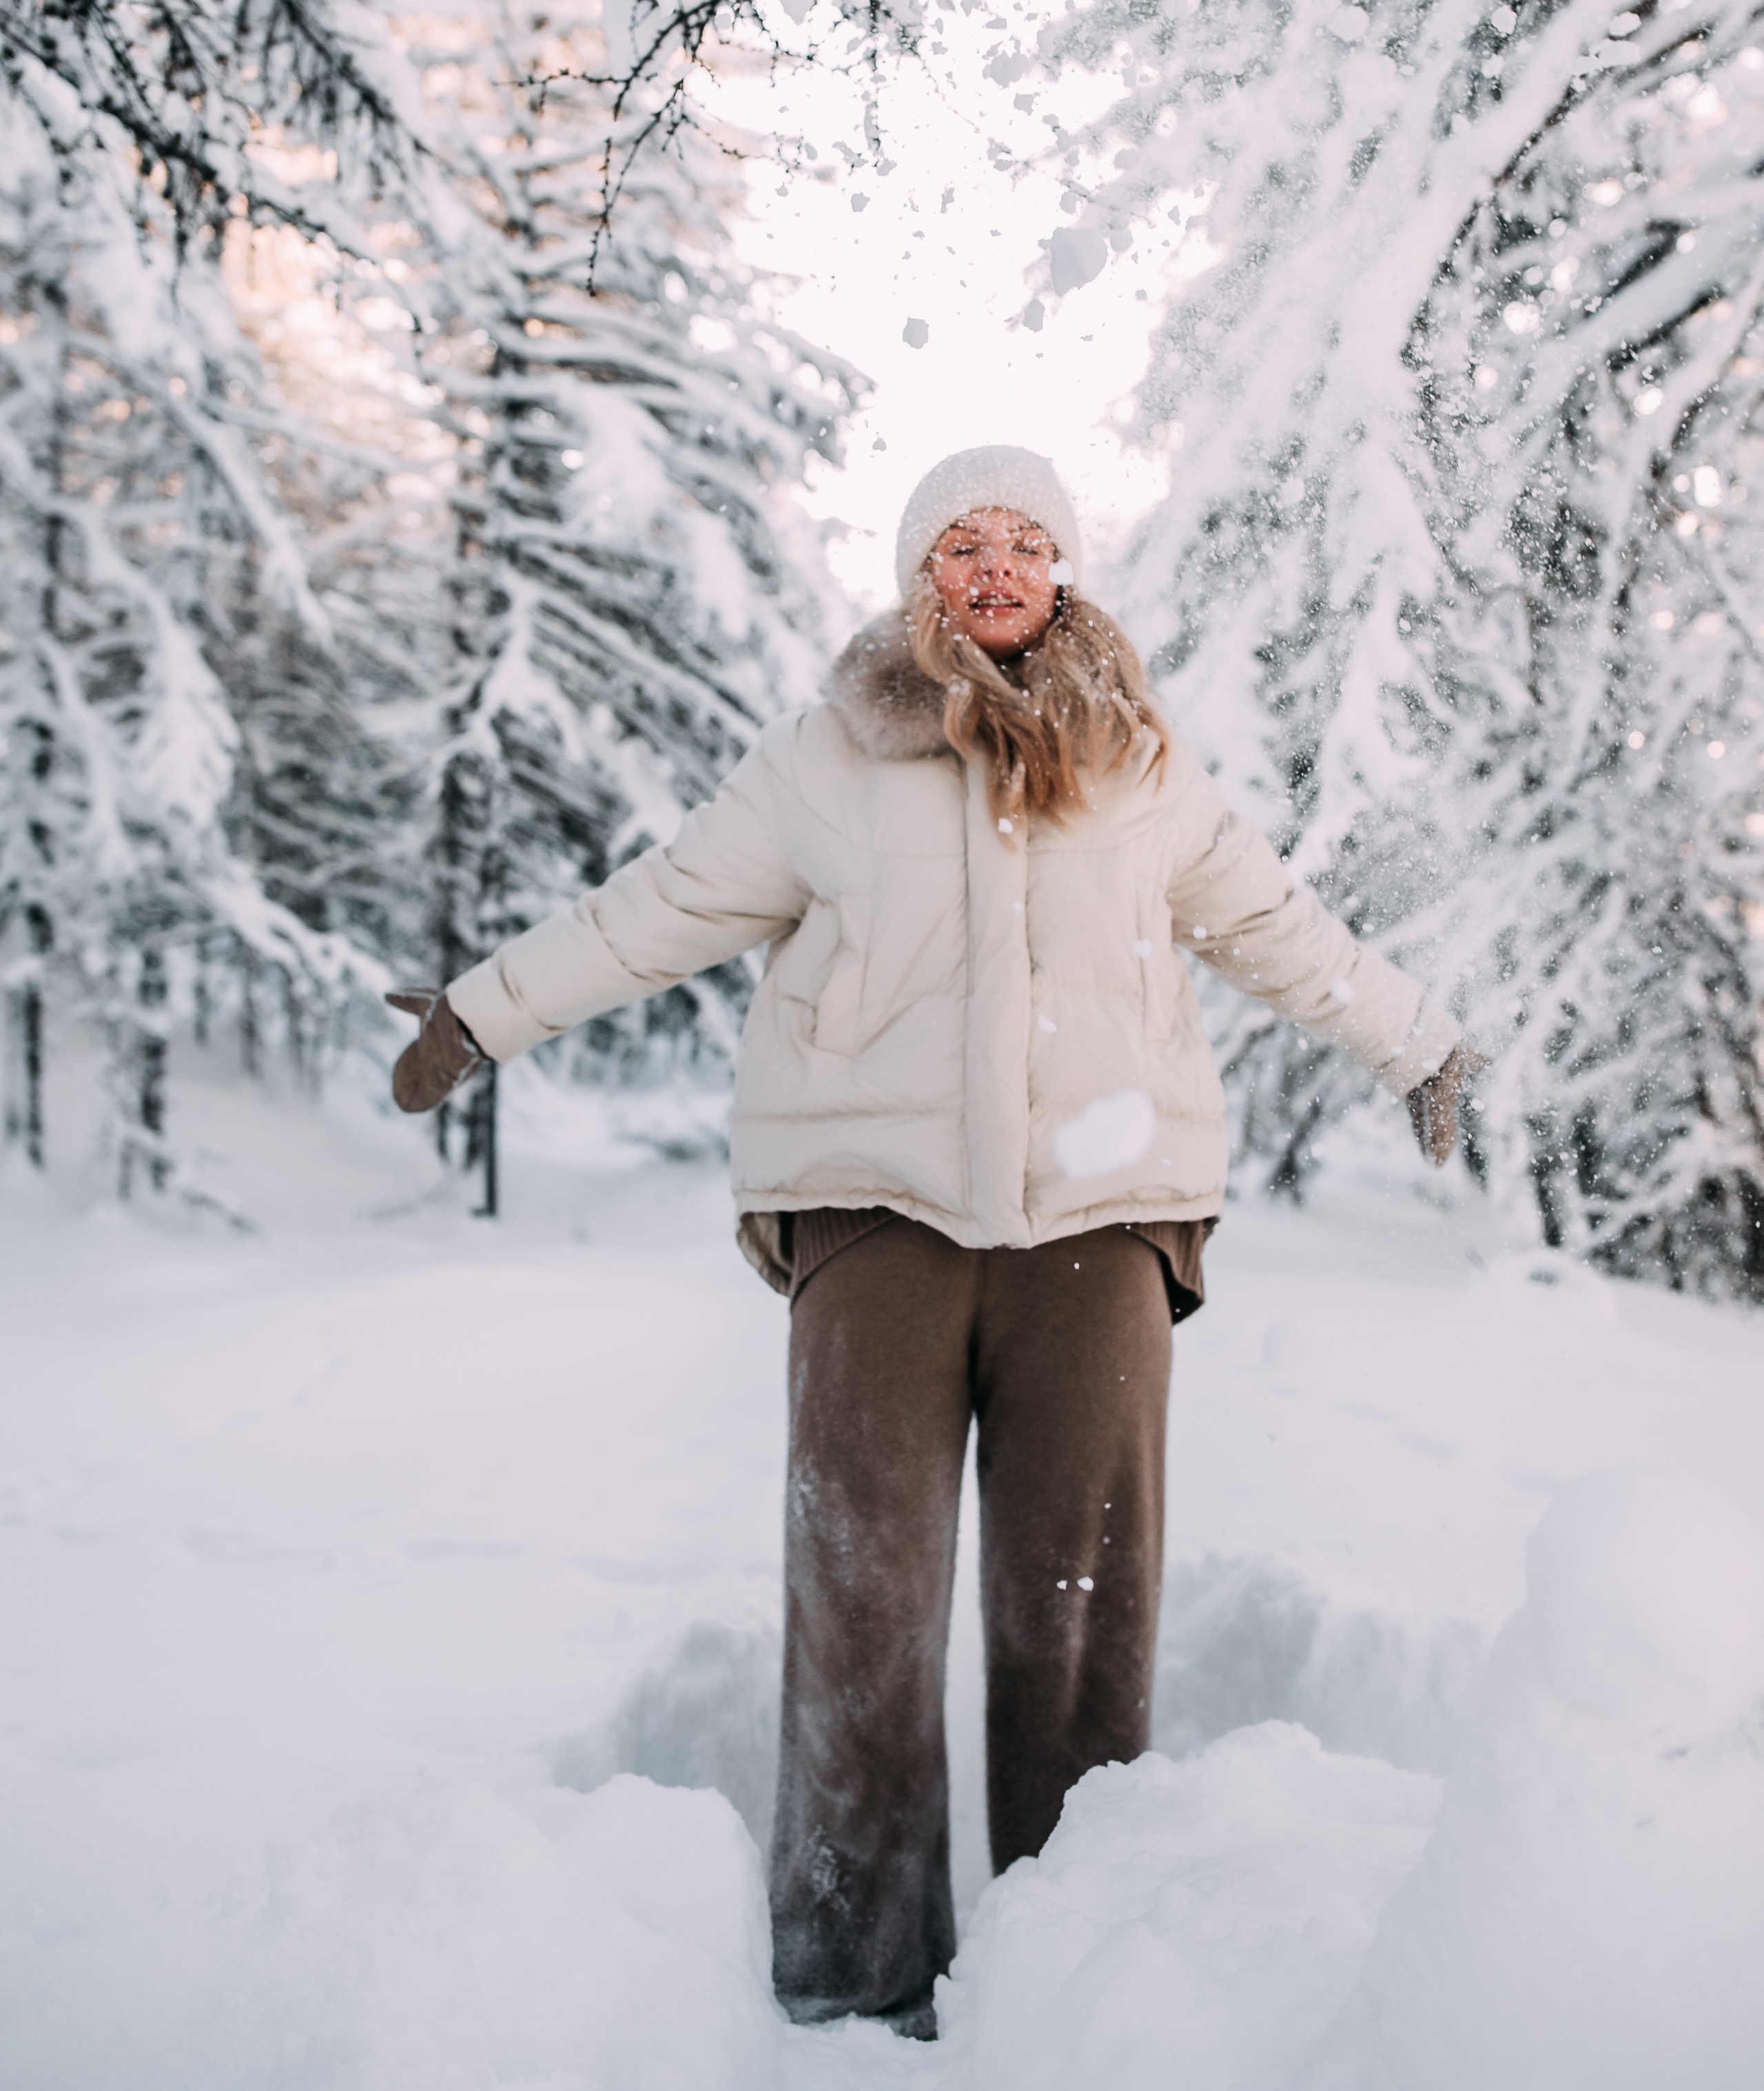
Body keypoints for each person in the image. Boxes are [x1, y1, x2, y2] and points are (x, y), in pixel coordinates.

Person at [389, 445, 1482, 2039]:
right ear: (920, 574)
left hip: (1097, 1232)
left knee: (1079, 1618)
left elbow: (1274, 927)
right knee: (862, 1610)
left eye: (1024, 543)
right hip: (874, 1222)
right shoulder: (825, 760)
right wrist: (483, 1014)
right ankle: (847, 1985)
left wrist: (1414, 1041)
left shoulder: (1139, 764)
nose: (995, 570)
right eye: (963, 544)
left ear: (1062, 571)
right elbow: (661, 906)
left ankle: (1074, 1961)